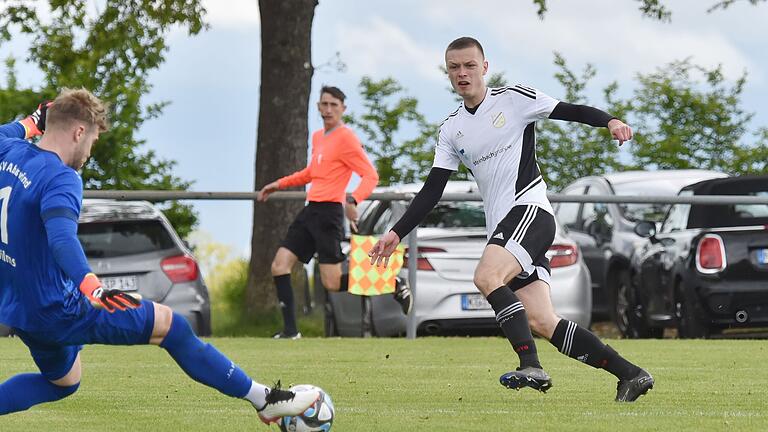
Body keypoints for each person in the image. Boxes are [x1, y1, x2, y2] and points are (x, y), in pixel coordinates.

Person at [0, 88, 319, 422]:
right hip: (57, 309)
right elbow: (62, 238)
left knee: (63, 382)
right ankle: (264, 400)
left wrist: (30, 123)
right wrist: (92, 286)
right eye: (92, 139)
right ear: (79, 131)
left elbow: (10, 132)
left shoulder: (9, 151)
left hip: (18, 307)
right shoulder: (61, 178)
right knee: (171, 326)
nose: (90, 151)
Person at [368, 37, 653, 402]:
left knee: (486, 276)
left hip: (530, 211)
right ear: (447, 73)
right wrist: (396, 232)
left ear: (484, 67)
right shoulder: (451, 128)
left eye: (469, 65)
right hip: (506, 226)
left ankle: (530, 366)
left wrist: (610, 121)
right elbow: (433, 189)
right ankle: (631, 375)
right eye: (454, 67)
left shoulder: (514, 99)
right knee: (542, 321)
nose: (462, 73)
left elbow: (570, 110)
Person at [258, 86, 411, 339]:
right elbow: (310, 173)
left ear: (342, 109)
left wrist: (353, 199)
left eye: (334, 105)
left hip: (329, 215)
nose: (328, 109)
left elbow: (370, 176)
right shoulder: (319, 136)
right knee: (279, 265)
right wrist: (278, 184)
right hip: (310, 211)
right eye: (324, 104)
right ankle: (290, 331)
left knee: (331, 282)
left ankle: (394, 283)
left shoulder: (346, 138)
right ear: (318, 106)